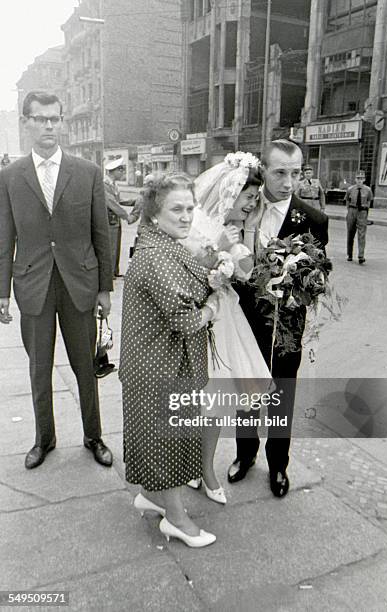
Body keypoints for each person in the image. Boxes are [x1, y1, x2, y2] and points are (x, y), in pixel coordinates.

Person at [0, 91, 113, 470]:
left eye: (55, 118)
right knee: (39, 369)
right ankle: (43, 439)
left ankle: (93, 436)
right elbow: (5, 238)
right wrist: (2, 293)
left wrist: (104, 288)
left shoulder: (87, 173)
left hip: (79, 284)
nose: (49, 125)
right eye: (40, 118)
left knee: (85, 366)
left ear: (61, 121)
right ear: (26, 122)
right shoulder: (10, 177)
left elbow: (101, 233)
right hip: (33, 285)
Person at [119, 173, 219, 548]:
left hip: (155, 363)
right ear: (154, 213)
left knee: (157, 437)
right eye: (176, 209)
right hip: (159, 367)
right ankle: (176, 520)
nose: (186, 216)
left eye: (190, 208)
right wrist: (211, 307)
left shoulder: (164, 244)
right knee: (167, 441)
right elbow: (185, 319)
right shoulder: (157, 255)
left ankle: (151, 496)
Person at [228, 139, 329, 497]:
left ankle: (279, 465)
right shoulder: (242, 209)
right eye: (280, 172)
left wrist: (297, 284)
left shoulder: (313, 219)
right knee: (246, 395)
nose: (289, 182)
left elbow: (319, 276)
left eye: (296, 173)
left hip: (286, 327)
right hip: (244, 323)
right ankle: (245, 455)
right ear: (264, 171)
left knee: (281, 397)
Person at [181, 152, 272, 504]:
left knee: (216, 402)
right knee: (193, 403)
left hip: (222, 324)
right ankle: (190, 467)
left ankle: (205, 470)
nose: (252, 204)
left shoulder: (237, 230)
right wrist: (218, 250)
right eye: (249, 197)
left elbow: (248, 271)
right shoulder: (197, 222)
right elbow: (183, 270)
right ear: (231, 192)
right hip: (197, 323)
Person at [104, 157, 135, 278]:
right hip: (107, 219)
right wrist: (127, 217)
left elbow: (119, 200)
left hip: (114, 220)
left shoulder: (114, 185)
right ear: (113, 171)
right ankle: (109, 273)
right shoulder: (104, 184)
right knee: (110, 247)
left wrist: (134, 201)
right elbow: (112, 203)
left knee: (116, 245)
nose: (122, 173)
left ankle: (115, 271)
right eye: (120, 171)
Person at [345, 171, 373, 264]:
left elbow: (369, 201)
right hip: (352, 211)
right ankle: (349, 254)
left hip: (362, 212)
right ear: (355, 179)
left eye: (361, 179)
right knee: (350, 233)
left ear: (364, 179)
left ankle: (361, 255)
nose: (359, 180)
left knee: (362, 235)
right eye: (358, 178)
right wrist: (350, 212)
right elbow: (347, 201)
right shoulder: (350, 189)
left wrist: (365, 212)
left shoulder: (368, 190)